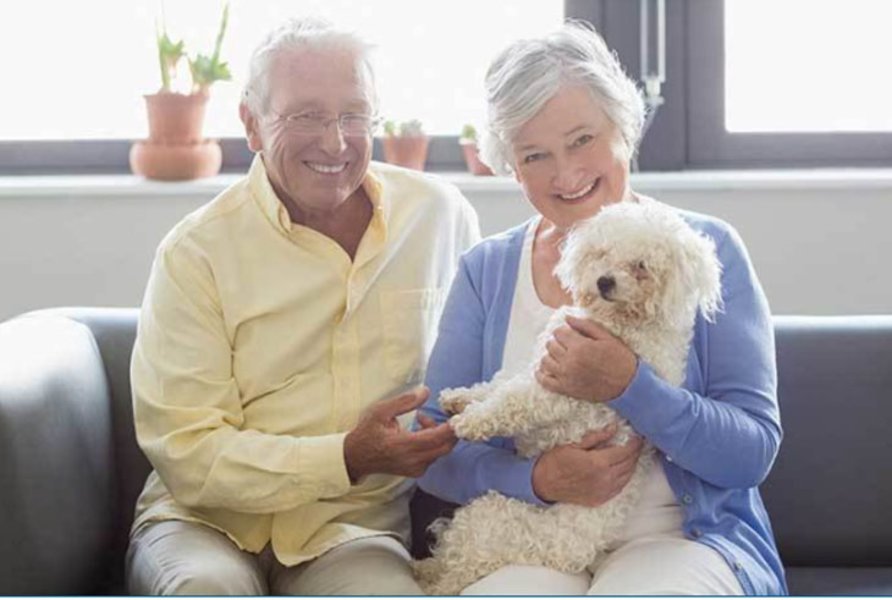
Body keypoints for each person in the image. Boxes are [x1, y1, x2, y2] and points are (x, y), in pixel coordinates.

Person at [416, 21, 787, 595]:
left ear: (623, 128)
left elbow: (751, 451)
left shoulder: (704, 255)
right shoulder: (486, 271)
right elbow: (433, 445)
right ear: (510, 166)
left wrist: (629, 385)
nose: (565, 174)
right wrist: (536, 478)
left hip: (679, 540)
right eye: (535, 155)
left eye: (583, 139)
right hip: (530, 535)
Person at [126, 17, 480, 595]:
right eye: (306, 116)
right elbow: (189, 453)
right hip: (206, 525)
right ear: (252, 125)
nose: (335, 141)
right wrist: (345, 455)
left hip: (353, 530)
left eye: (353, 115)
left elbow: (485, 367)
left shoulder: (440, 217)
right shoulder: (195, 253)